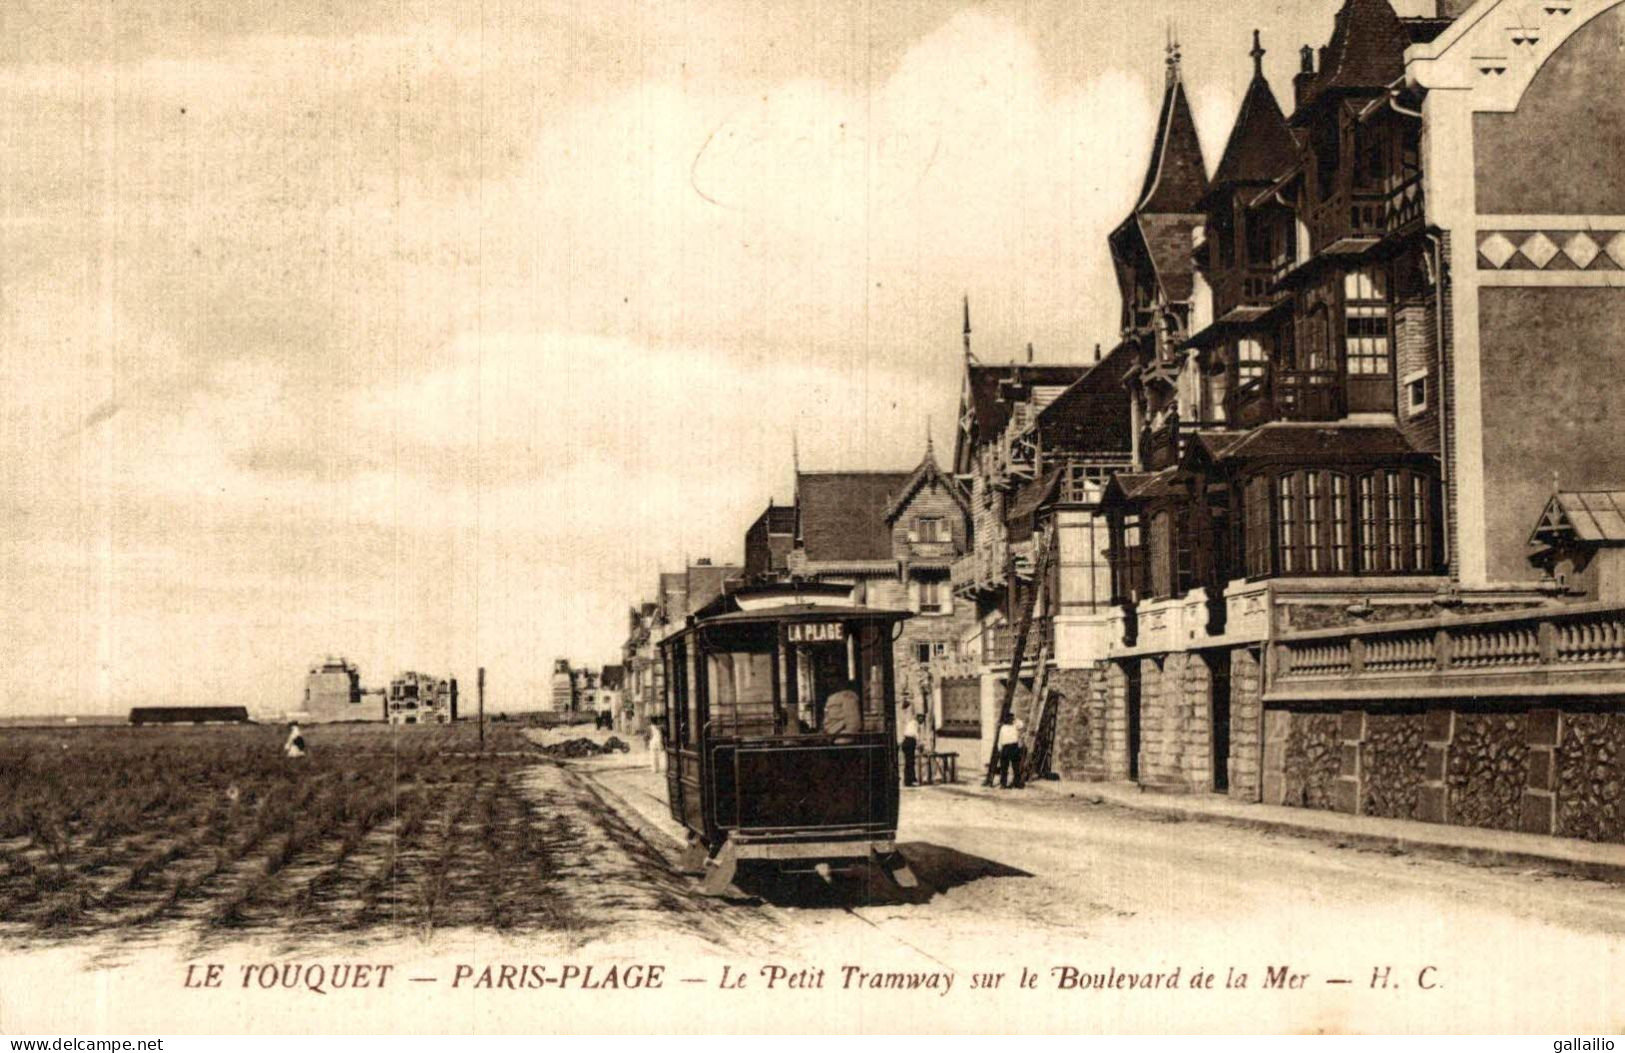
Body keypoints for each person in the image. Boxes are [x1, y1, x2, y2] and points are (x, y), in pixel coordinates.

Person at [995, 712, 1025, 789]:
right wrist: (1000, 749)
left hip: (1014, 747)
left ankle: (1017, 783)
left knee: (1016, 766)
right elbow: (1000, 739)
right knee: (1004, 767)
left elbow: (1022, 725)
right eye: (1008, 718)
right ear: (1006, 719)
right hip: (1005, 747)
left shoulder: (1015, 726)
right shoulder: (1003, 727)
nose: (1009, 720)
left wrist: (1015, 719)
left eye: (1011, 719)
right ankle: (1003, 784)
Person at [899, 705, 920, 787]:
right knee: (910, 762)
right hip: (910, 742)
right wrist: (919, 744)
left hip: (906, 742)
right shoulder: (915, 723)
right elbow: (916, 735)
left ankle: (909, 780)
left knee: (908, 762)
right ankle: (910, 780)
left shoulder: (910, 722)